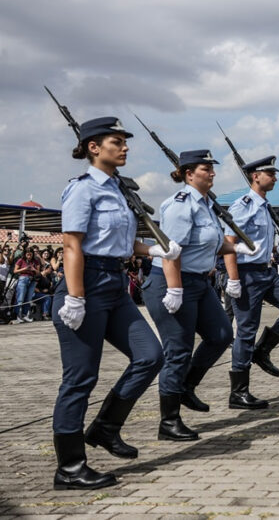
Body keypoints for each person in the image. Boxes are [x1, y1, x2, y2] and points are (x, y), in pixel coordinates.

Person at [51, 117, 180, 490]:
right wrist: (75, 297)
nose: (125, 147)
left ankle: (106, 427)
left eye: (125, 142)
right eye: (117, 141)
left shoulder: (120, 190)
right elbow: (73, 244)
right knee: (80, 379)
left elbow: (122, 243)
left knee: (151, 356)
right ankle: (70, 467)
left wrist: (154, 248)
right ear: (94, 147)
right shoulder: (82, 190)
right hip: (86, 283)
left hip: (114, 282)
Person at [142, 150, 248, 441]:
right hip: (173, 281)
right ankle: (169, 420)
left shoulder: (206, 205)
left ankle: (186, 386)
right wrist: (175, 289)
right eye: (206, 169)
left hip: (200, 282)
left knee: (221, 334)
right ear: (189, 173)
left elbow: (210, 245)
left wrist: (237, 249)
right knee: (178, 349)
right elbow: (170, 251)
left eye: (212, 168)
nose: (212, 173)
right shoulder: (180, 205)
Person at [223, 156, 279, 410]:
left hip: (266, 272)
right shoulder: (242, 206)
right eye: (270, 173)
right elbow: (229, 246)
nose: (275, 177)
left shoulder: (266, 207)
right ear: (256, 176)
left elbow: (260, 245)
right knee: (246, 331)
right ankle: (239, 392)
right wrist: (233, 279)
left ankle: (263, 350)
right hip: (247, 275)